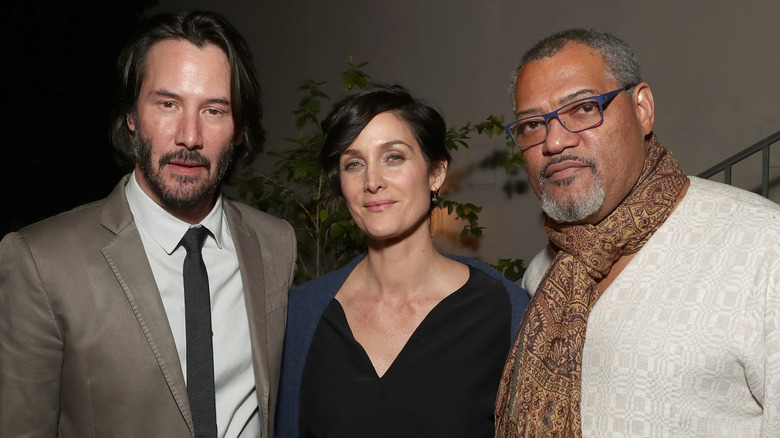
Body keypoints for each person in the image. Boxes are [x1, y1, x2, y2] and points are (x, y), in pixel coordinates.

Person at [0, 10, 296, 438]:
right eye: (167, 104)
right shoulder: (40, 263)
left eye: (214, 110)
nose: (189, 136)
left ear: (237, 129)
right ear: (132, 116)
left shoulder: (275, 244)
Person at [494, 28, 780, 437]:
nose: (554, 141)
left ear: (642, 109)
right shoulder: (545, 274)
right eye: (532, 124)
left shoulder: (763, 246)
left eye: (583, 108)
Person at [274, 84, 530, 437]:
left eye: (393, 157)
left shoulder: (505, 310)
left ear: (436, 173)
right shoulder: (301, 315)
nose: (372, 181)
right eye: (354, 164)